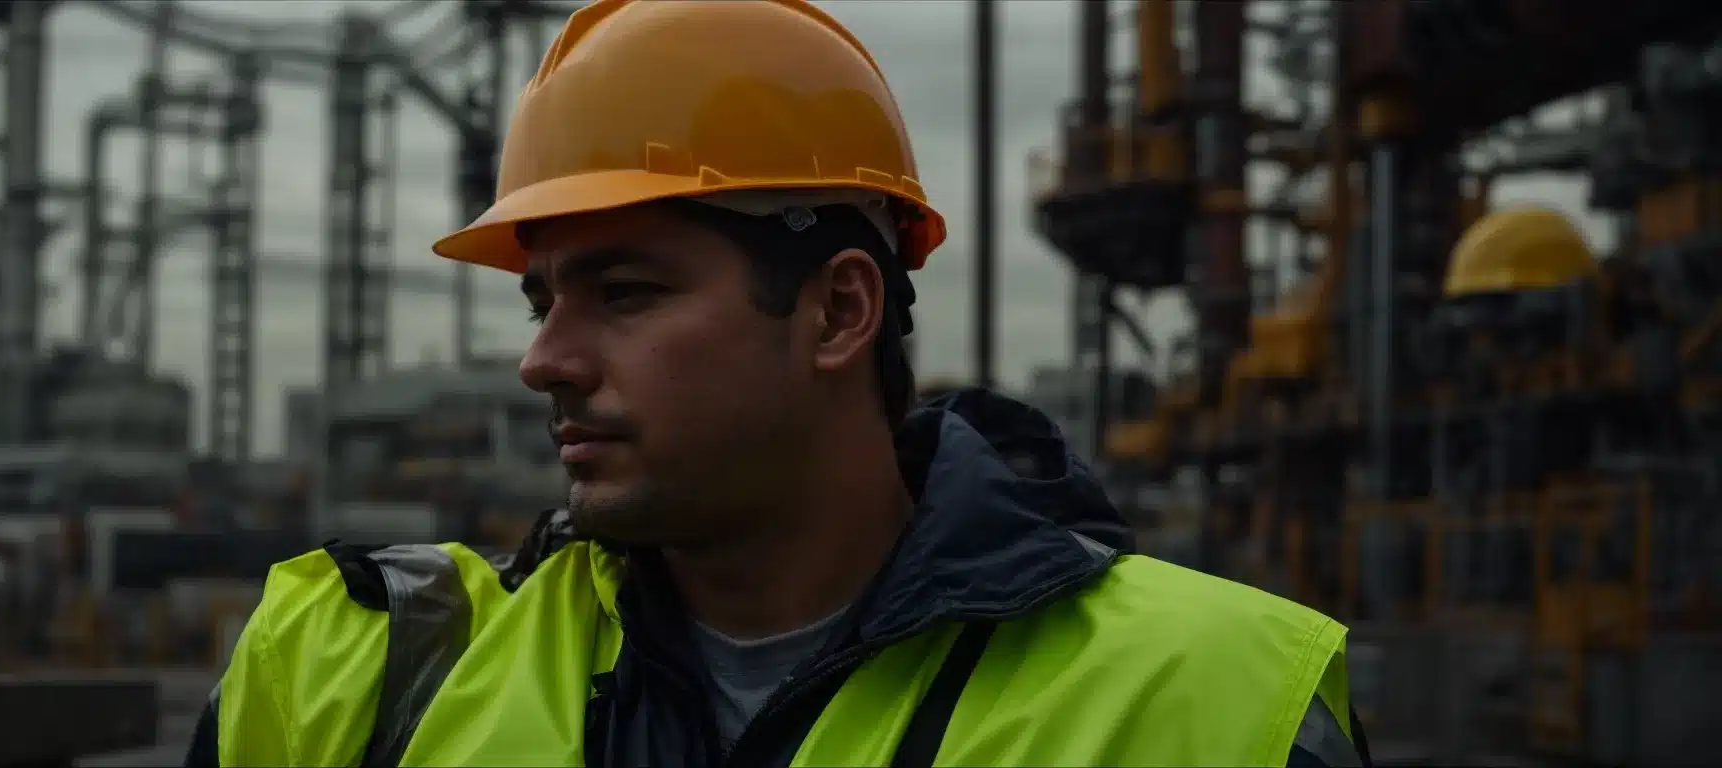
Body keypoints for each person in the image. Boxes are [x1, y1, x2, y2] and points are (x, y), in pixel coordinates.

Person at [185, 1, 1373, 766]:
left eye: (625, 293)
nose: (542, 359)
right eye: (542, 300)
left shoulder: (1213, 711)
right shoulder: (359, 673)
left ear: (838, 310)